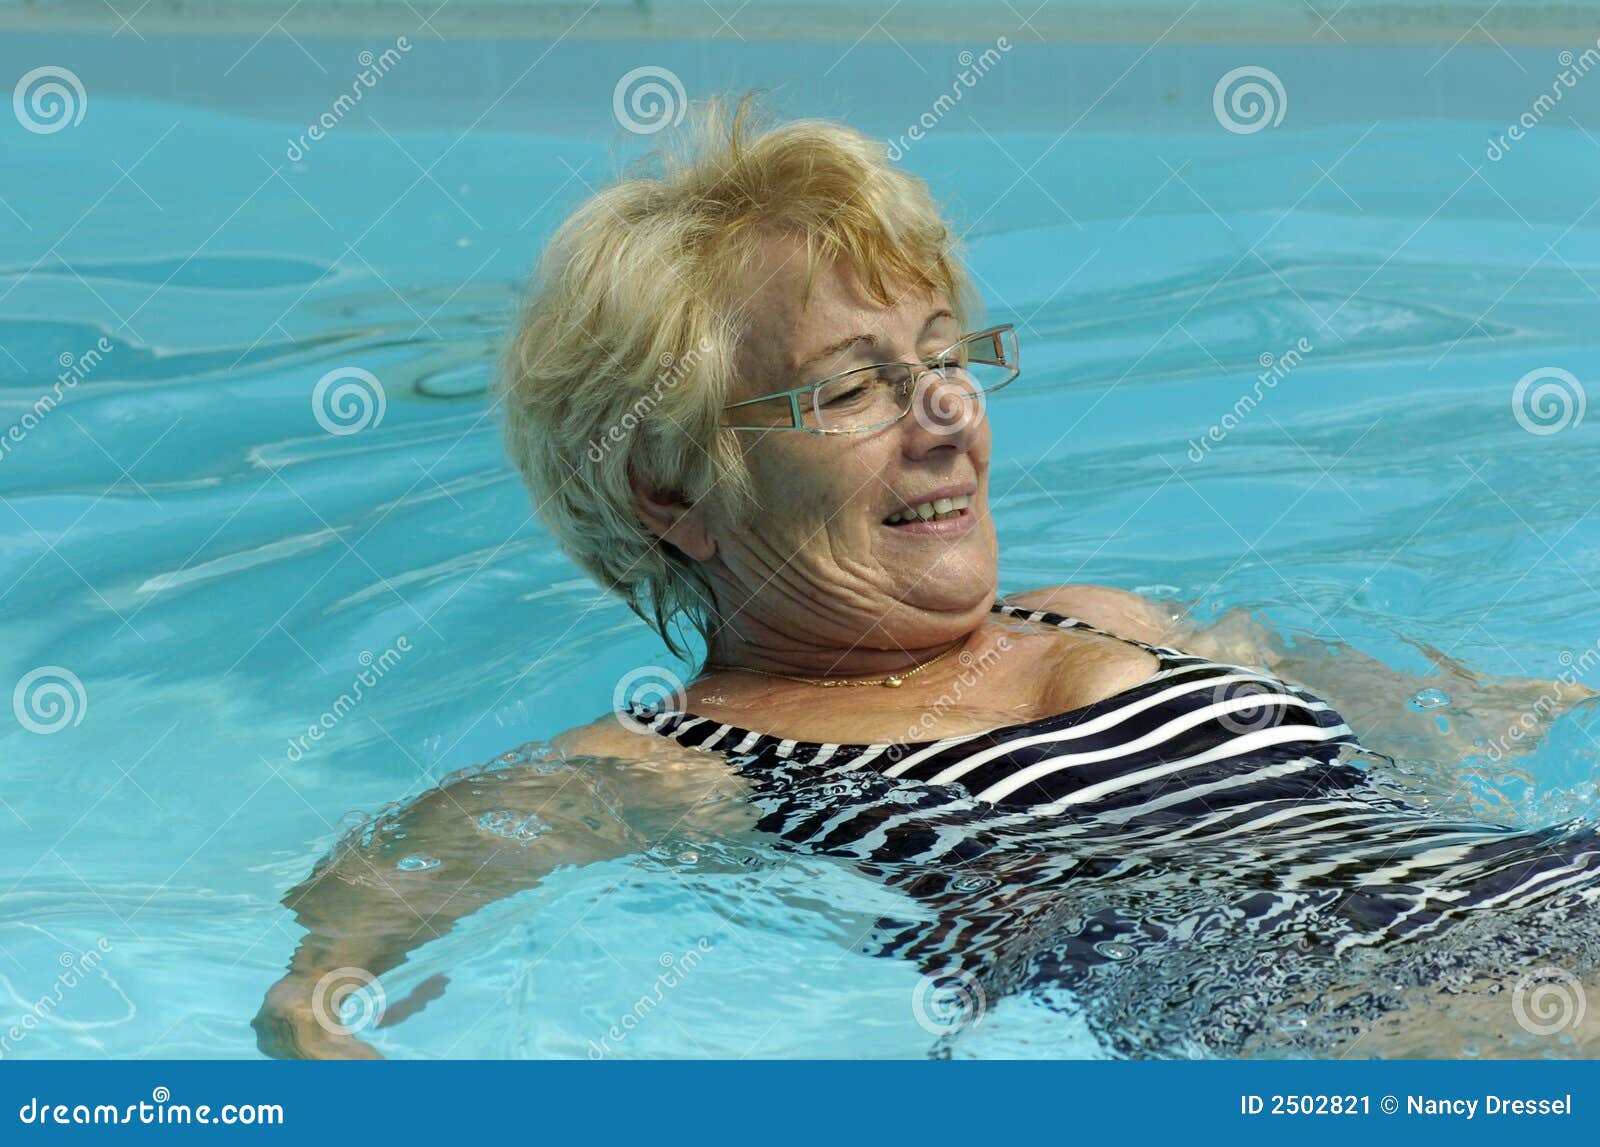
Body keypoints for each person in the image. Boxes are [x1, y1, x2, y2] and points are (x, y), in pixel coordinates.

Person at [254, 92, 1600, 1060]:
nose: (947, 412)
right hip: (1350, 1021)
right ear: (672, 490)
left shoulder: (1102, 618)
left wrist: (1486, 713)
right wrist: (320, 1002)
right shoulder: (686, 760)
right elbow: (382, 888)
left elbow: (1392, 710)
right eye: (852, 386)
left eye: (946, 358)